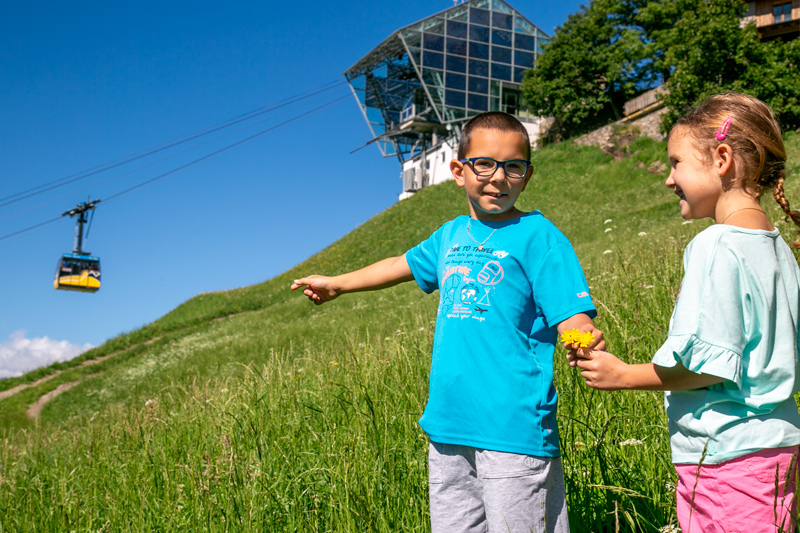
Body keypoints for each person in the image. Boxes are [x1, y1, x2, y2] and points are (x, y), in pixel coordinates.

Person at [291, 111, 604, 533]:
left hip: (512, 426)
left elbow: (571, 312)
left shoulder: (539, 235)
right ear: (459, 171)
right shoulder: (450, 234)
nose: (498, 177)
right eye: (484, 164)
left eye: (513, 166)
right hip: (449, 424)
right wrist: (338, 284)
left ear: (527, 177)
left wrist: (581, 337)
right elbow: (400, 264)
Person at [569, 93, 800, 532]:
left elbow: (705, 367)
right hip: (776, 449)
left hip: (725, 458)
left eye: (676, 162)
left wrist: (622, 375)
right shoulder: (778, 247)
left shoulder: (715, 245)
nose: (668, 179)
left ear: (722, 159)